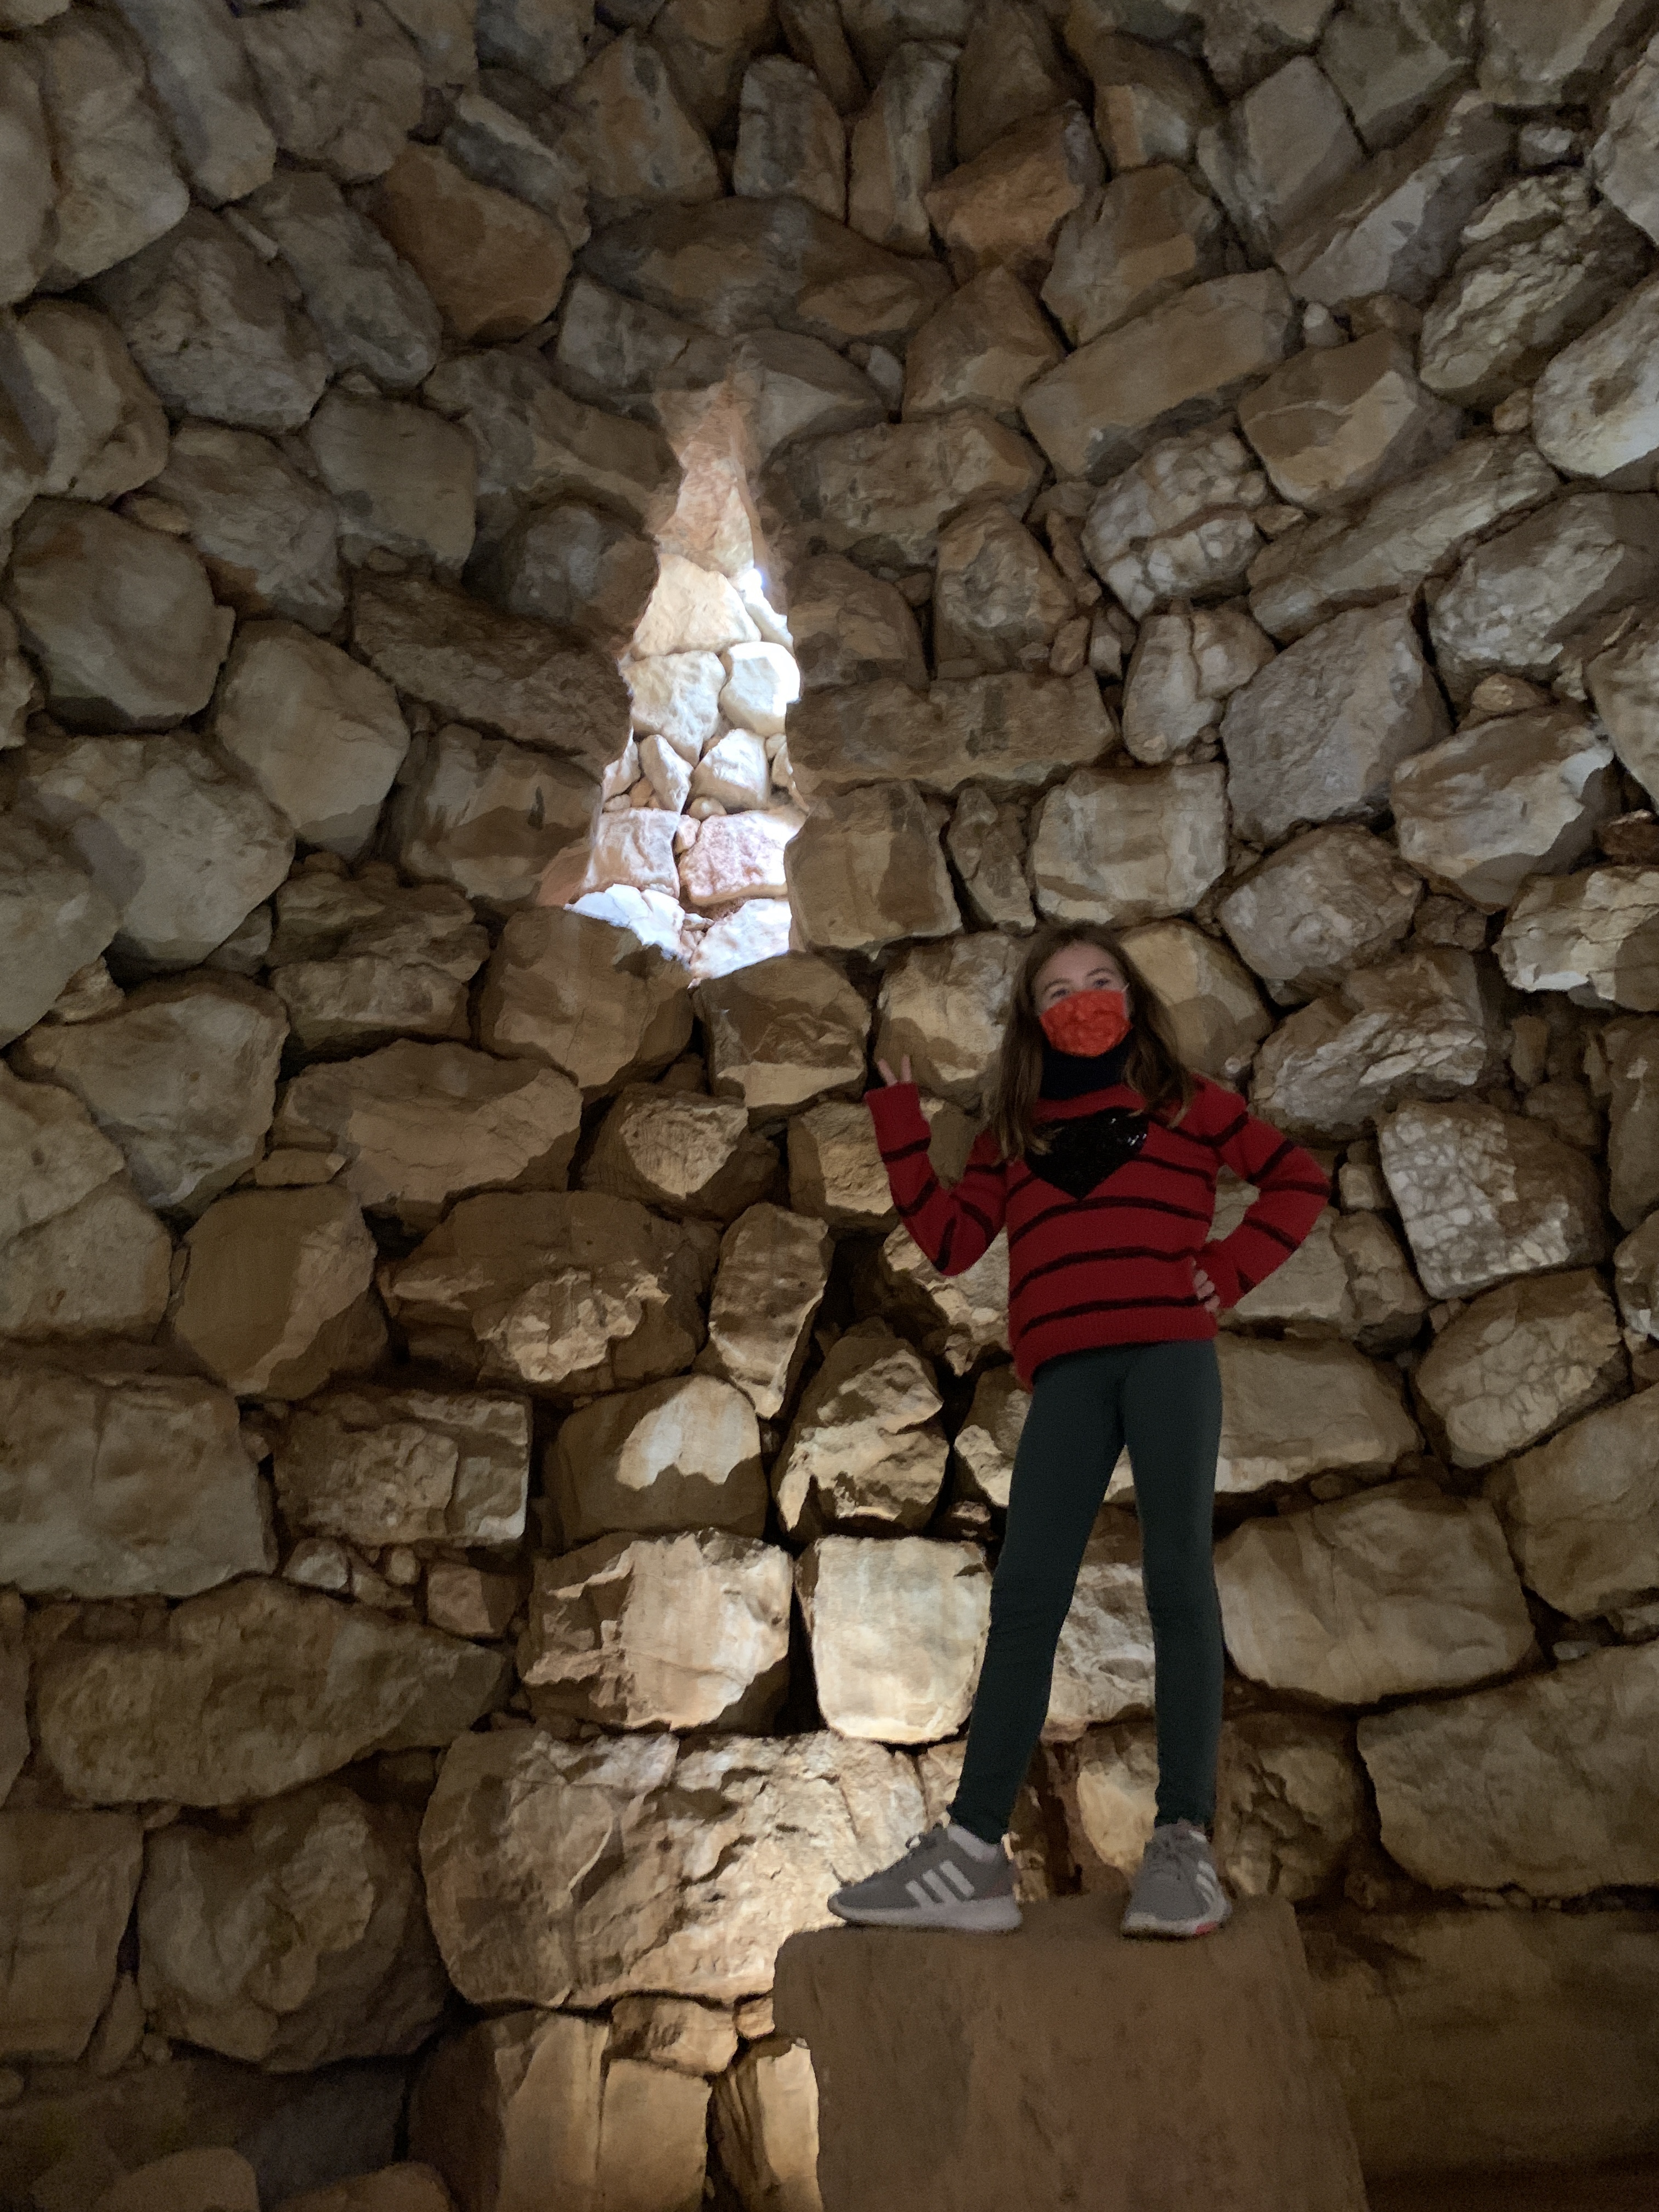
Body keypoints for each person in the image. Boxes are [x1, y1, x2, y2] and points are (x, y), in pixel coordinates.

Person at [824, 920, 1331, 1940]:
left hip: (1169, 1356)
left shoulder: (1185, 1101)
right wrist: (898, 1121)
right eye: (1058, 991)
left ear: (1133, 998)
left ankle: (1182, 1843)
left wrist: (1229, 1270)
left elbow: (1298, 1180)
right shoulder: (1013, 1133)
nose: (1083, 1001)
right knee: (1025, 1600)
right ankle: (973, 1852)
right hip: (1067, 1377)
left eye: (1101, 981)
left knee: (1178, 1581)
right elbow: (951, 1242)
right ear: (1032, 1018)